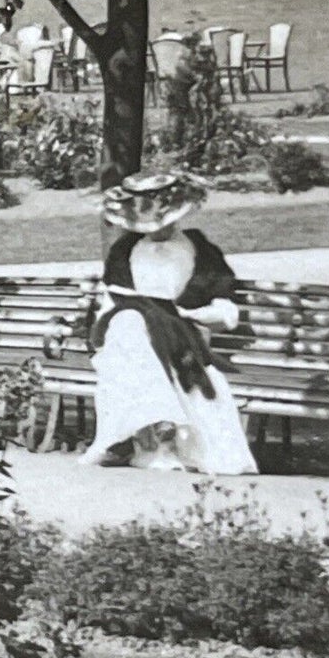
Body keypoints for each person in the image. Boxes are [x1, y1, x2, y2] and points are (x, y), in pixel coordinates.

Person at [80, 172, 257, 475]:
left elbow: (224, 308)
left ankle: (136, 439)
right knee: (128, 327)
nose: (158, 229)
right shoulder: (124, 252)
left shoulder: (199, 249)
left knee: (132, 333)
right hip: (129, 335)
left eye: (164, 221)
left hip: (181, 338)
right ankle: (157, 437)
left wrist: (192, 315)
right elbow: (112, 302)